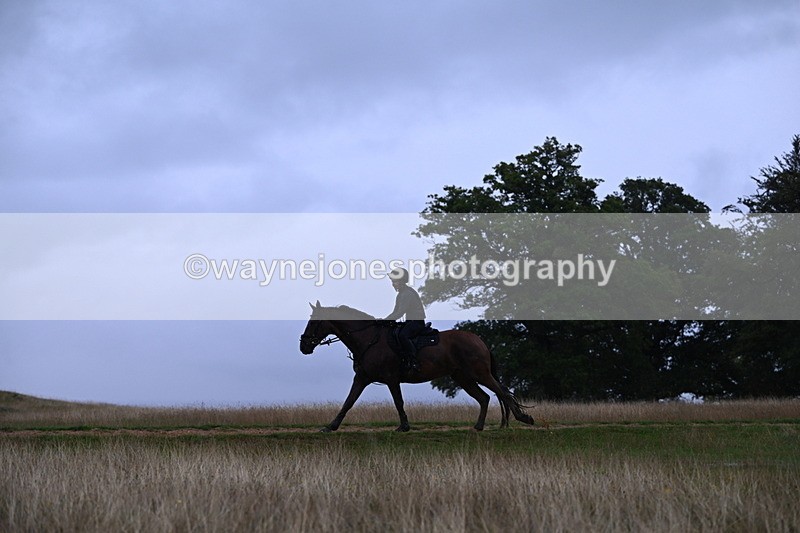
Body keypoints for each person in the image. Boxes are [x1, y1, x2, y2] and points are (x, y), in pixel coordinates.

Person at [384, 267, 425, 372]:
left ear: (402, 281)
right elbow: (395, 312)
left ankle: (413, 361)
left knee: (403, 335)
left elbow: (400, 313)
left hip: (416, 323)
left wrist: (384, 321)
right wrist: (384, 320)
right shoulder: (400, 294)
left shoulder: (407, 294)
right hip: (409, 322)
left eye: (395, 281)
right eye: (392, 281)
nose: (393, 284)